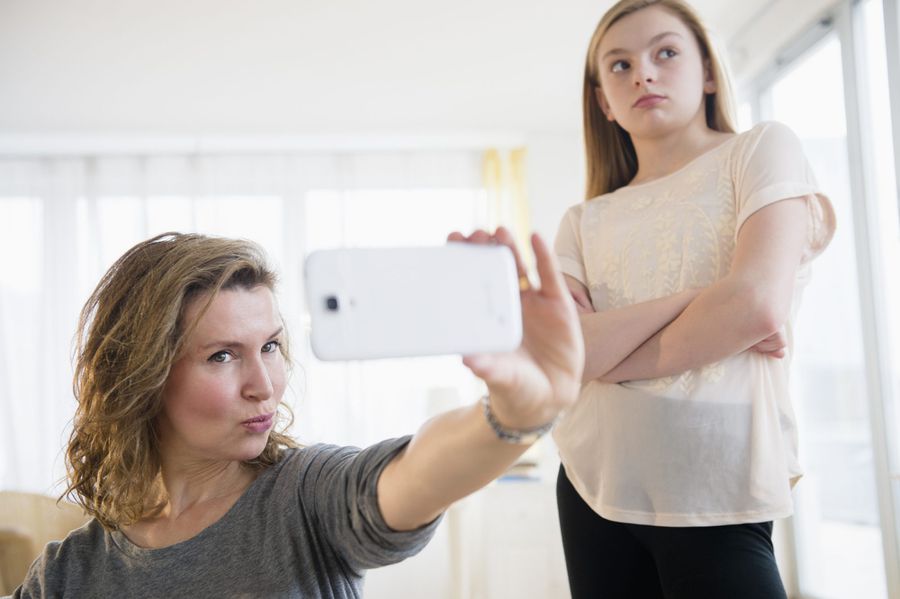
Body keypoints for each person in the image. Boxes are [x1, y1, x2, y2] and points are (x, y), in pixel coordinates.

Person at [11, 227, 583, 598]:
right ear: (140, 376)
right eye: (222, 356)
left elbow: (412, 474)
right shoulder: (66, 576)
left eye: (270, 347)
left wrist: (516, 411)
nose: (265, 385)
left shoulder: (305, 496)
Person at [552, 1, 836, 597]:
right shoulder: (582, 221)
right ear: (604, 100)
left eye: (666, 53)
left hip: (719, 480)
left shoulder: (759, 151)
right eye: (620, 66)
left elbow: (755, 306)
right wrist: (704, 299)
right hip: (594, 484)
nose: (644, 75)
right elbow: (564, 355)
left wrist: (600, 357)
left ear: (708, 71)